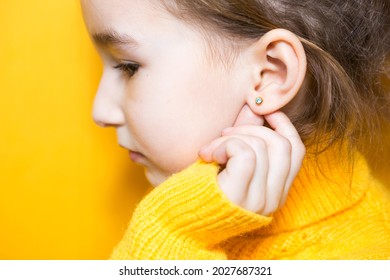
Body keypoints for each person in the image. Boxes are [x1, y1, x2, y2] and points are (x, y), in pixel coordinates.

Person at [80, 0, 390, 259]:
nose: (100, 112)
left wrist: (171, 235)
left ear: (269, 75)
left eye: (128, 67)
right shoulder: (194, 188)